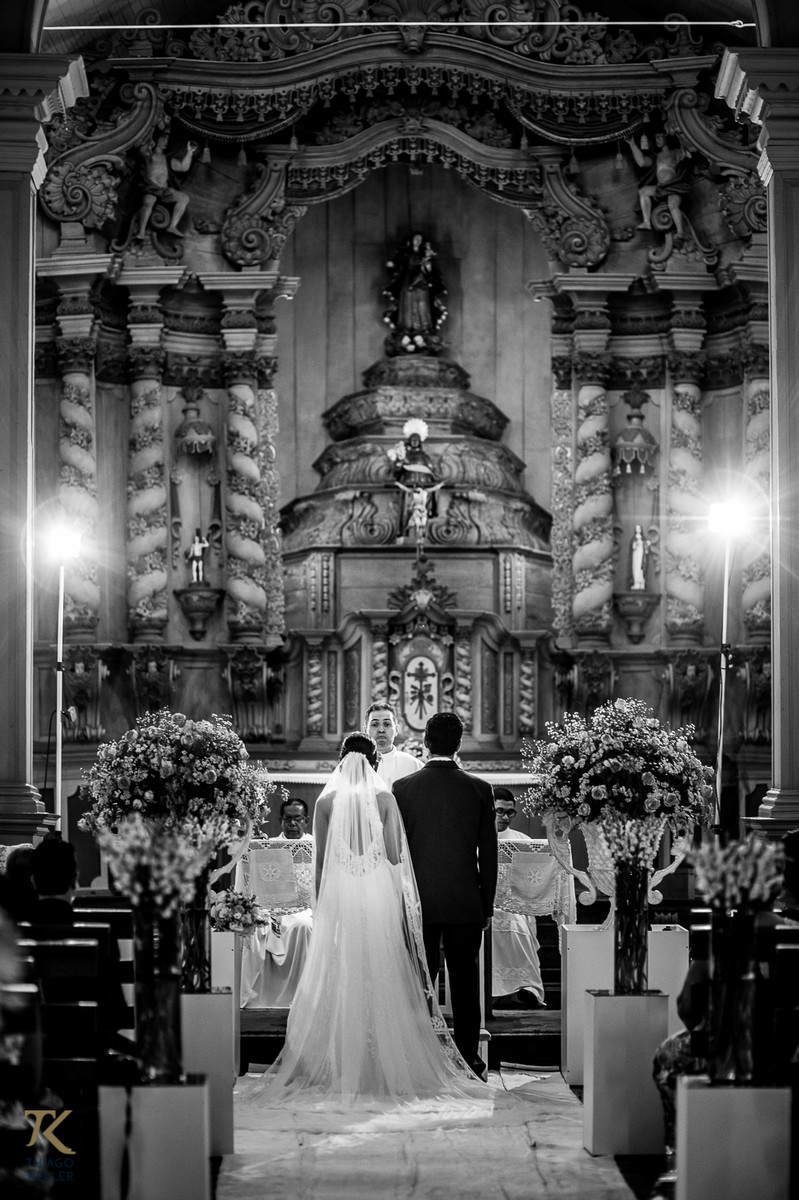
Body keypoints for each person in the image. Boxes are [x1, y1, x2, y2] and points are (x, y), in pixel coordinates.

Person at [243, 731, 485, 1116]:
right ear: (374, 763)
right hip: (377, 896)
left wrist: (321, 905)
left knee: (341, 971)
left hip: (341, 896)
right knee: (383, 969)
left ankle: (338, 1061)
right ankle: (390, 1061)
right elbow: (393, 854)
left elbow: (320, 863)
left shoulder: (325, 801)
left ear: (340, 761)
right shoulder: (386, 798)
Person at [393, 712, 498, 1079]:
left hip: (418, 903)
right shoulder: (479, 788)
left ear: (425, 740)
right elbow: (489, 853)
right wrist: (486, 905)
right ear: (459, 745)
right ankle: (471, 1061)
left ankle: (420, 1062)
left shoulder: (402, 788)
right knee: (466, 986)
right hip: (465, 901)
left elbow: (399, 853)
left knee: (422, 982)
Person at [240, 798, 314, 1009]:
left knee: (303, 926)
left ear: (306, 821)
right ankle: (255, 999)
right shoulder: (267, 846)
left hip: (304, 908)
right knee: (253, 928)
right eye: (287, 819)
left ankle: (303, 998)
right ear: (280, 820)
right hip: (270, 908)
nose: (292, 824)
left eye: (297, 819)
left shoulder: (314, 846)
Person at [491, 787, 546, 1010]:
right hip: (484, 904)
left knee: (515, 922)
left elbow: (532, 881)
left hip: (515, 905)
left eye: (510, 812)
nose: (505, 817)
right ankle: (493, 989)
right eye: (500, 811)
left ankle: (525, 988)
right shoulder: (474, 835)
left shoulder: (522, 840)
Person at [382, 232, 448, 351]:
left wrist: (428, 265)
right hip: (408, 281)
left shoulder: (425, 254)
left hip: (422, 283)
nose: (418, 241)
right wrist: (392, 266)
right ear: (411, 240)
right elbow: (398, 266)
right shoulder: (405, 254)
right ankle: (406, 328)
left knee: (422, 305)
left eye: (420, 239)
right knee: (407, 303)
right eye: (416, 239)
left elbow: (432, 272)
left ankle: (424, 329)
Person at [133, 130, 198, 239]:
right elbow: (140, 150)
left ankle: (172, 226)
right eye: (163, 138)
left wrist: (190, 152)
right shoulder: (149, 155)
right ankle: (141, 232)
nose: (165, 141)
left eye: (167, 139)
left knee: (184, 198)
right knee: (149, 200)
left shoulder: (167, 158)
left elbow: (183, 167)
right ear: (156, 139)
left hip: (164, 190)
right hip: (151, 188)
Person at [627, 130, 691, 237]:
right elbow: (642, 162)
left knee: (673, 205)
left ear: (667, 138)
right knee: (643, 191)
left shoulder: (675, 152)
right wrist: (632, 143)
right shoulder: (656, 156)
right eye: (656, 138)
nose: (657, 140)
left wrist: (684, 147)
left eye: (660, 137)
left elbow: (687, 153)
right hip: (661, 187)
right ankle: (647, 222)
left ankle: (680, 232)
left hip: (674, 186)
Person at [364, 700, 422, 787]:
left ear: (397, 730)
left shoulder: (413, 765)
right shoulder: (357, 765)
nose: (381, 730)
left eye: (387, 724)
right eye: (375, 725)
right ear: (365, 730)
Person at [630, 523, 651, 590]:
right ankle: (636, 583)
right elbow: (633, 547)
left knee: (641, 568)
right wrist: (636, 543)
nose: (638, 529)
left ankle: (642, 583)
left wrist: (646, 544)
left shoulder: (643, 538)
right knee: (636, 568)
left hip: (641, 554)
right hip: (636, 554)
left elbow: (646, 548)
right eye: (636, 528)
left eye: (639, 528)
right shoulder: (634, 538)